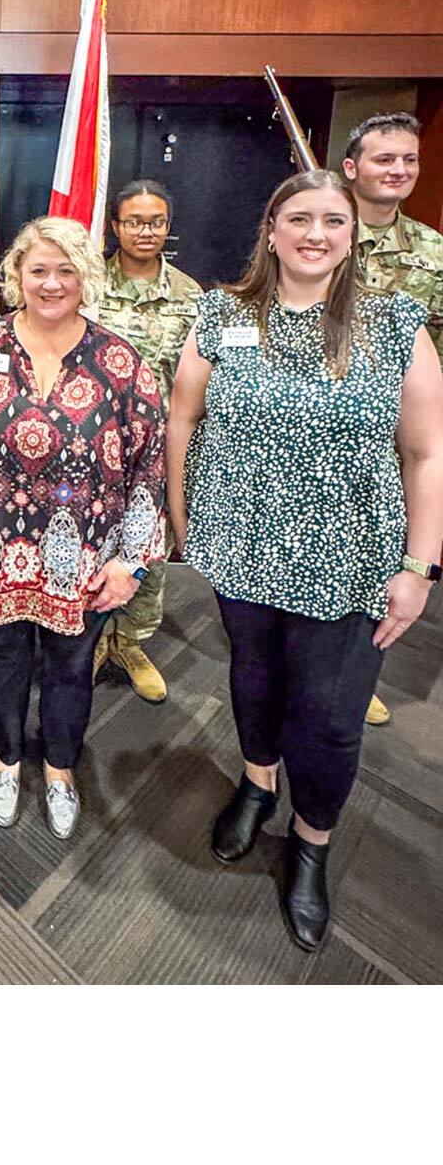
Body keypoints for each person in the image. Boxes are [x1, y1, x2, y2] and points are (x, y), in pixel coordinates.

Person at [168, 169, 443, 952]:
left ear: (353, 236)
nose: (315, 233)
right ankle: (257, 786)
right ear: (271, 229)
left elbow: (428, 452)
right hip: (241, 550)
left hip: (351, 560)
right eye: (299, 218)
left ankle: (312, 843)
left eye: (333, 220)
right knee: (254, 680)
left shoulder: (394, 324)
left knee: (328, 720)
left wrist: (420, 567)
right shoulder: (222, 314)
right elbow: (183, 416)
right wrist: (188, 522)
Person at [0, 216, 165, 840]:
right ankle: (5, 758)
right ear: (16, 277)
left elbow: (150, 464)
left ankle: (60, 768)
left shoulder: (120, 360)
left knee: (69, 666)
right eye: (38, 271)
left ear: (85, 276)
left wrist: (131, 559)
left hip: (86, 556)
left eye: (65, 271)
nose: (51, 283)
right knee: (0, 660)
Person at [342, 112, 443, 726]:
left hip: (393, 435)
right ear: (352, 168)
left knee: (381, 554)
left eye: (409, 160)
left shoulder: (433, 253)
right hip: (315, 427)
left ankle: (356, 671)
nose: (399, 170)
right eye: (384, 159)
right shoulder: (318, 231)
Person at [93, 179, 203, 704]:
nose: (145, 231)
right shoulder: (87, 286)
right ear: (115, 225)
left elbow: (198, 383)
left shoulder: (190, 297)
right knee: (92, 540)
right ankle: (93, 636)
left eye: (155, 222)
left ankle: (132, 642)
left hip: (156, 449)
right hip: (92, 446)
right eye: (134, 221)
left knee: (147, 547)